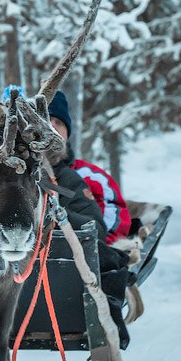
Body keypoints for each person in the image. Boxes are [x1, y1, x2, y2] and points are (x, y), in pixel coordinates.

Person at [2, 86, 132, 349]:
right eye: (42, 120)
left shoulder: (69, 180)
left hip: (62, 276)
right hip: (7, 271)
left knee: (107, 257)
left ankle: (110, 318)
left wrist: (51, 212)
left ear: (67, 132)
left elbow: (93, 226)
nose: (49, 127)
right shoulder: (1, 175)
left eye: (57, 122)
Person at [46, 91, 132, 245]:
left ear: (67, 131)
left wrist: (102, 250)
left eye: (58, 122)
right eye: (46, 120)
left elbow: (112, 222)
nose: (52, 125)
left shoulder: (90, 176)